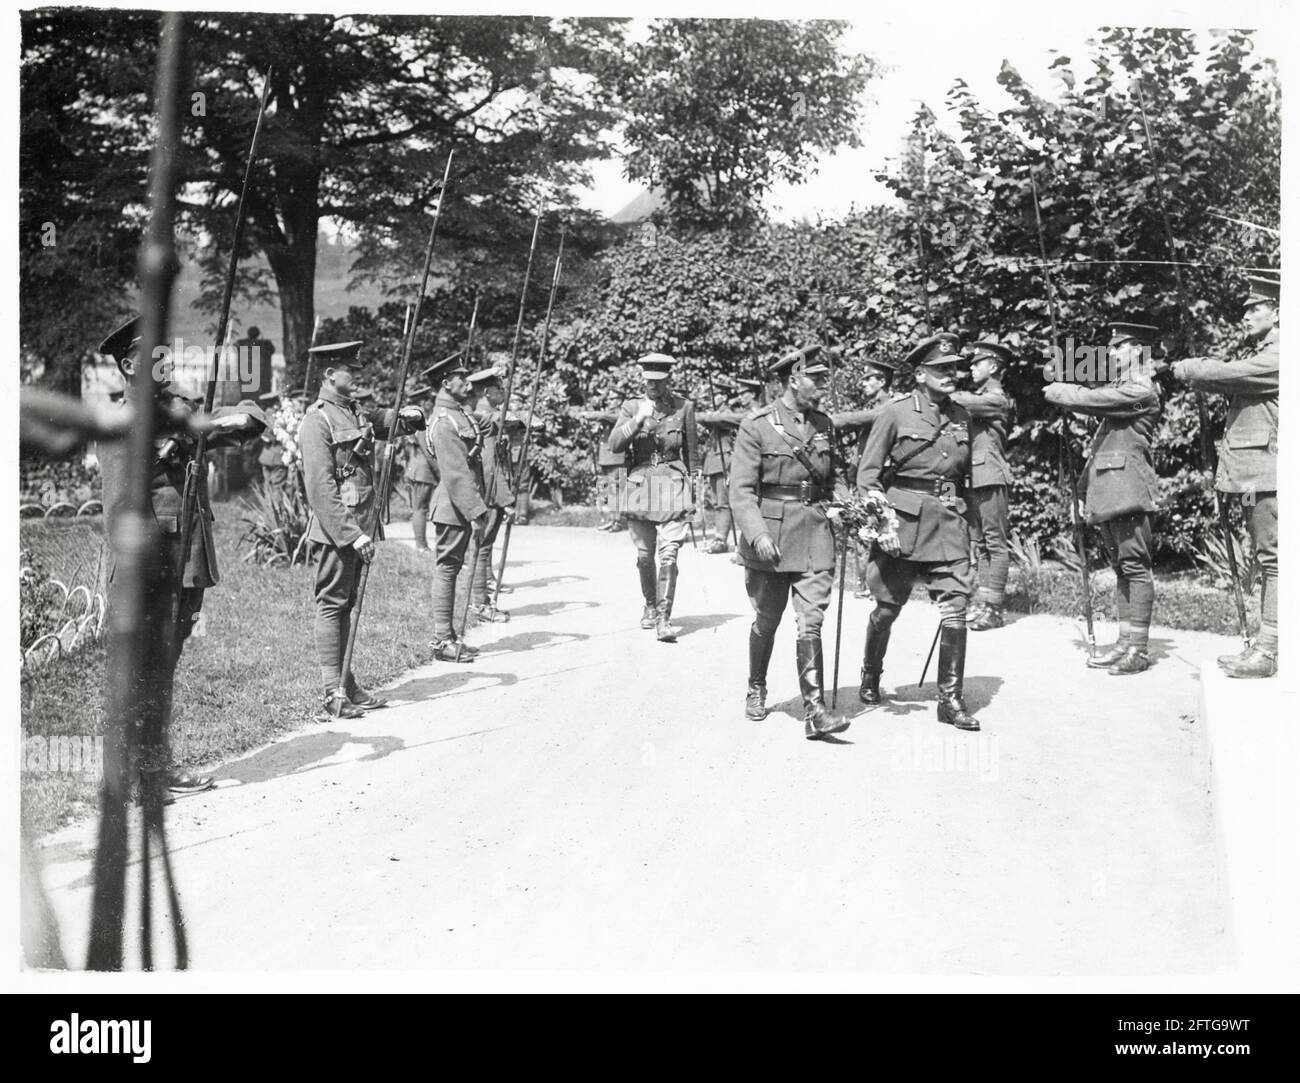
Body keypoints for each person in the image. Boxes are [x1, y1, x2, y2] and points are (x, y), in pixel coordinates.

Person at [96, 315, 268, 794]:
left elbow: (243, 423)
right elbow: (120, 511)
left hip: (185, 565)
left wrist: (245, 417)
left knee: (162, 668)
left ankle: (153, 769)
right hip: (147, 570)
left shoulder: (180, 409)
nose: (165, 361)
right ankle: (125, 778)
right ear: (130, 365)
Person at [857, 333, 980, 730]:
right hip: (903, 524)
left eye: (954, 368)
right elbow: (868, 477)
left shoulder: (962, 416)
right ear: (921, 373)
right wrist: (881, 524)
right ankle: (871, 672)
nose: (952, 375)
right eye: (942, 369)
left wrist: (974, 536)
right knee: (887, 609)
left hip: (948, 523)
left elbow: (970, 481)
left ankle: (950, 699)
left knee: (955, 610)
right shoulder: (895, 413)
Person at [299, 340, 426, 718]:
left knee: (348, 603)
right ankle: (330, 692)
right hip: (340, 529)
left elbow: (384, 422)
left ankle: (346, 683)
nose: (357, 377)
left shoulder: (353, 411)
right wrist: (352, 534)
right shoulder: (317, 420)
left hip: (361, 525)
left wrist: (409, 416)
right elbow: (320, 488)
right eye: (350, 371)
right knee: (333, 602)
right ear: (329, 375)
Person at [730, 344, 849, 739]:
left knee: (810, 620)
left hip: (815, 532)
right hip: (772, 536)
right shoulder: (757, 425)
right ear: (793, 380)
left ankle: (815, 711)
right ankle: (756, 685)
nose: (822, 385)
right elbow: (742, 492)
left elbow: (838, 478)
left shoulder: (826, 424)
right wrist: (757, 533)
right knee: (767, 619)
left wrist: (848, 507)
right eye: (816, 378)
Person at [1172, 274, 1280, 678]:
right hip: (1251, 482)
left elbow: (1228, 375)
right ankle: (1266, 643)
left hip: (1266, 478)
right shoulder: (1264, 352)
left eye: (1256, 307)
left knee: (1275, 559)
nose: (1247, 315)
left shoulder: (1281, 353)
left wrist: (1191, 369)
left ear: (1280, 311)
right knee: (1265, 555)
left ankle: (1268, 650)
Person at [1044, 322, 1162, 675]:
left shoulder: (1141, 389)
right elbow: (1101, 450)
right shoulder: (1121, 389)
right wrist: (1082, 492)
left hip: (1129, 491)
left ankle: (1138, 650)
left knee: (1136, 567)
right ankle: (1125, 643)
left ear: (1138, 352)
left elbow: (1094, 401)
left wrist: (1063, 391)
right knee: (1122, 568)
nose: (1110, 354)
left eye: (1119, 348)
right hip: (1110, 490)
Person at [609, 353, 700, 642]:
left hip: (673, 483)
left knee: (669, 553)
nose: (653, 387)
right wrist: (638, 419)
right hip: (640, 485)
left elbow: (692, 452)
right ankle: (649, 604)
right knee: (645, 556)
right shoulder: (631, 407)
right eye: (649, 381)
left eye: (659, 382)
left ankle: (664, 618)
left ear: (668, 380)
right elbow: (614, 444)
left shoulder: (684, 407)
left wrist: (695, 483)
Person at [425, 352, 490, 661]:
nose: (467, 382)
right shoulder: (443, 421)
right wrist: (476, 511)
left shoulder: (459, 414)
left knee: (451, 569)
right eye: (461, 378)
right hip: (453, 507)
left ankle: (450, 637)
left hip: (458, 506)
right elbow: (455, 473)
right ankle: (442, 639)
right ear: (445, 383)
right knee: (448, 570)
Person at [950, 340, 1016, 631]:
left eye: (978, 363)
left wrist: (944, 391)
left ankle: (994, 607)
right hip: (976, 477)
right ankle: (984, 601)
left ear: (994, 366)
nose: (972, 367)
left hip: (990, 474)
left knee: (995, 544)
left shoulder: (996, 397)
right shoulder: (977, 397)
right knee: (982, 545)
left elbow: (960, 402)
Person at [830, 358, 898, 598]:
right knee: (863, 530)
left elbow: (861, 421)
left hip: (881, 478)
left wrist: (833, 421)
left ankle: (876, 584)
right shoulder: (874, 407)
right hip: (864, 476)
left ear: (882, 381)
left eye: (868, 379)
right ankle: (865, 584)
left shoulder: (888, 407)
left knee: (876, 528)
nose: (863, 384)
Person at [465, 365, 519, 622]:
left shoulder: (494, 417)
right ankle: (479, 603)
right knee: (481, 547)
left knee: (484, 547)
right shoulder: (483, 421)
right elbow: (489, 465)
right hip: (489, 493)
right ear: (487, 392)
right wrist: (505, 499)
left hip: (493, 491)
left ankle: (482, 599)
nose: (504, 392)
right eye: (499, 388)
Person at [697, 376, 763, 554]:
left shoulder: (732, 414)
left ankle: (725, 540)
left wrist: (697, 416)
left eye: (745, 393)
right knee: (720, 502)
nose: (741, 397)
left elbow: (719, 421)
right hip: (717, 461)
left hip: (726, 461)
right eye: (739, 393)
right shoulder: (728, 413)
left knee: (728, 502)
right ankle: (724, 539)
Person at [403, 378, 440, 553]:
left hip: (419, 470)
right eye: (428, 401)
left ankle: (422, 544)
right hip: (422, 472)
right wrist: (441, 474)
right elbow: (428, 452)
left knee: (420, 508)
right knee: (420, 508)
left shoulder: (422, 422)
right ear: (422, 403)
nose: (431, 404)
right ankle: (421, 545)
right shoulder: (422, 424)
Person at [256, 389, 290, 488]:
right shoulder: (274, 415)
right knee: (277, 488)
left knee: (268, 486)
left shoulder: (265, 414)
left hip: (266, 456)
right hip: (277, 458)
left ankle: (269, 504)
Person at [235, 325, 276, 400]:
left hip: (246, 376)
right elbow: (272, 350)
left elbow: (236, 346)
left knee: (247, 395)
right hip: (262, 376)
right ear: (258, 334)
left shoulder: (241, 343)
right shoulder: (265, 344)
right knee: (262, 396)